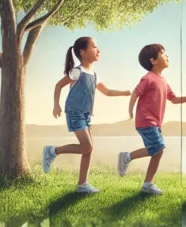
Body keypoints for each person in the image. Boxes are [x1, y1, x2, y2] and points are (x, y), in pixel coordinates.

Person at [43, 37, 130, 194]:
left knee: (88, 150)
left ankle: (82, 184)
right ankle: (52, 151)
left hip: (86, 115)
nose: (98, 50)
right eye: (94, 47)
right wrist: (56, 105)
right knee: (87, 146)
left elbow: (107, 92)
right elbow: (58, 85)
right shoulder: (77, 71)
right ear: (83, 52)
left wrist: (126, 93)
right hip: (74, 112)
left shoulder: (94, 75)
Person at [118, 44, 186, 195]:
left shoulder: (163, 81)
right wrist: (130, 111)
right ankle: (128, 158)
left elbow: (174, 99)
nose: (167, 56)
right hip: (146, 121)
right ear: (153, 61)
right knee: (158, 149)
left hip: (155, 123)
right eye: (163, 53)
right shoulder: (148, 78)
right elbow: (135, 93)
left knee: (157, 151)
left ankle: (146, 182)